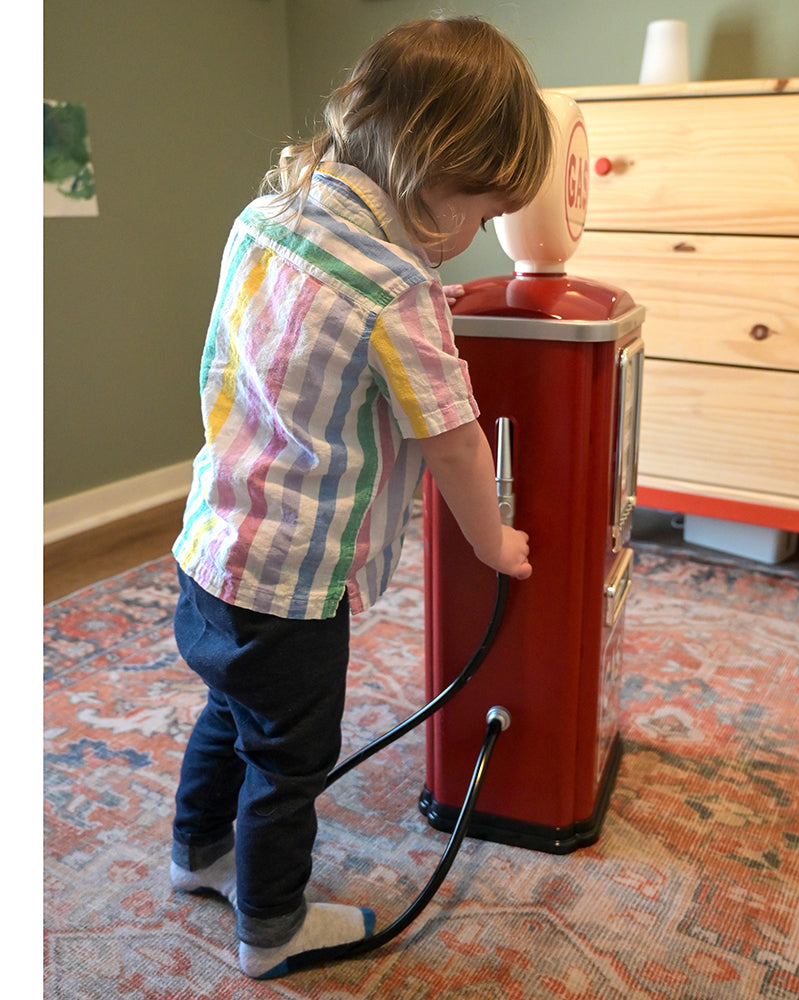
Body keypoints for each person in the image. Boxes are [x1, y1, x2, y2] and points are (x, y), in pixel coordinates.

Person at [167, 16, 552, 980]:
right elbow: (457, 444)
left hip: (209, 554)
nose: (470, 238)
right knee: (289, 759)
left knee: (226, 711)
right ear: (432, 169)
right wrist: (495, 541)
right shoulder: (395, 290)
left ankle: (196, 851)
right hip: (291, 592)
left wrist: (423, 299)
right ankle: (273, 927)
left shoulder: (265, 218)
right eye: (476, 210)